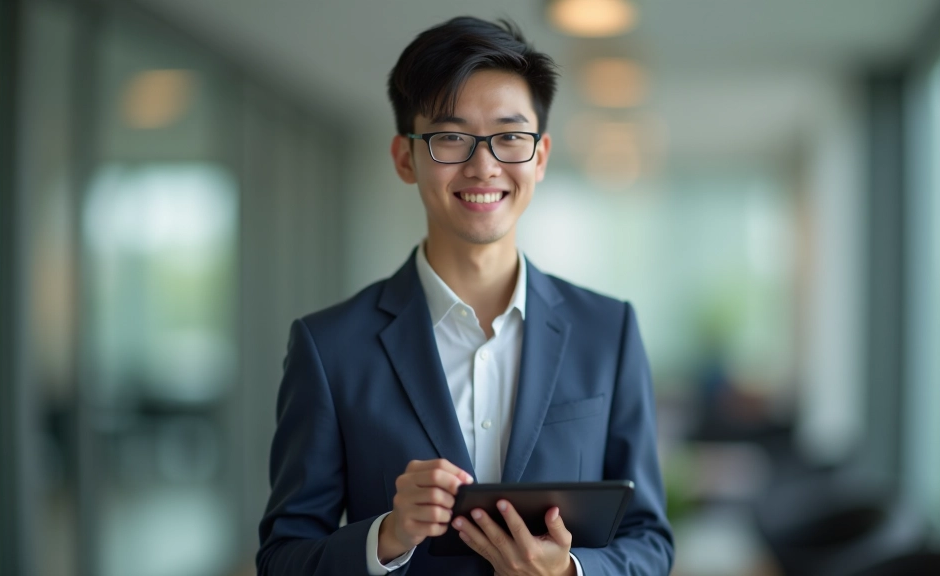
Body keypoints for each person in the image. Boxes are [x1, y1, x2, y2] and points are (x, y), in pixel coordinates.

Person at [256, 16, 674, 576]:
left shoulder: (608, 331)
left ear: (540, 156)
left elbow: (649, 541)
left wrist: (569, 571)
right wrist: (386, 536)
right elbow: (282, 559)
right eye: (450, 137)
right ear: (405, 157)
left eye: (510, 137)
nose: (483, 166)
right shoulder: (330, 348)